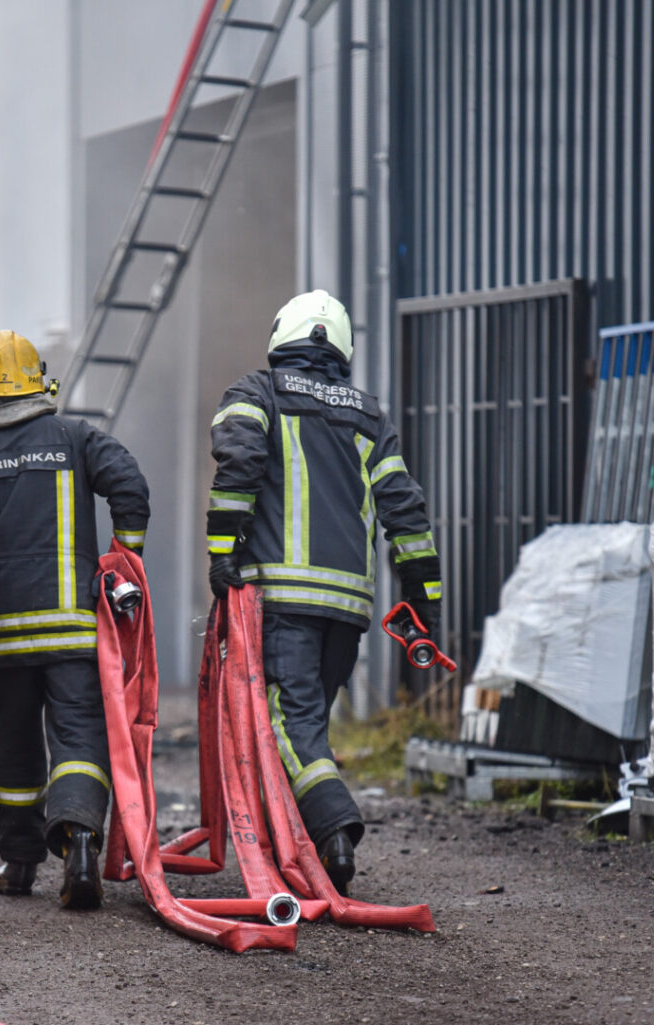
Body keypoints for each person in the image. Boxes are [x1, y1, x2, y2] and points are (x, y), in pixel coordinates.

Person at [0, 330, 149, 910]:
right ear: (40, 382)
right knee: (80, 738)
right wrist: (123, 560)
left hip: (9, 640)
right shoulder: (76, 438)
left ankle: (18, 865)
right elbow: (130, 486)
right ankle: (81, 841)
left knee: (15, 749)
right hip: (75, 631)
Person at [206, 290, 442, 895]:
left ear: (280, 336)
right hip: (347, 610)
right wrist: (426, 596)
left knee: (290, 724)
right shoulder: (369, 415)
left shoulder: (258, 393)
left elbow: (239, 461)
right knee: (308, 725)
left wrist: (221, 551)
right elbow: (405, 510)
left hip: (280, 598)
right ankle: (302, 847)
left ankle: (336, 832)